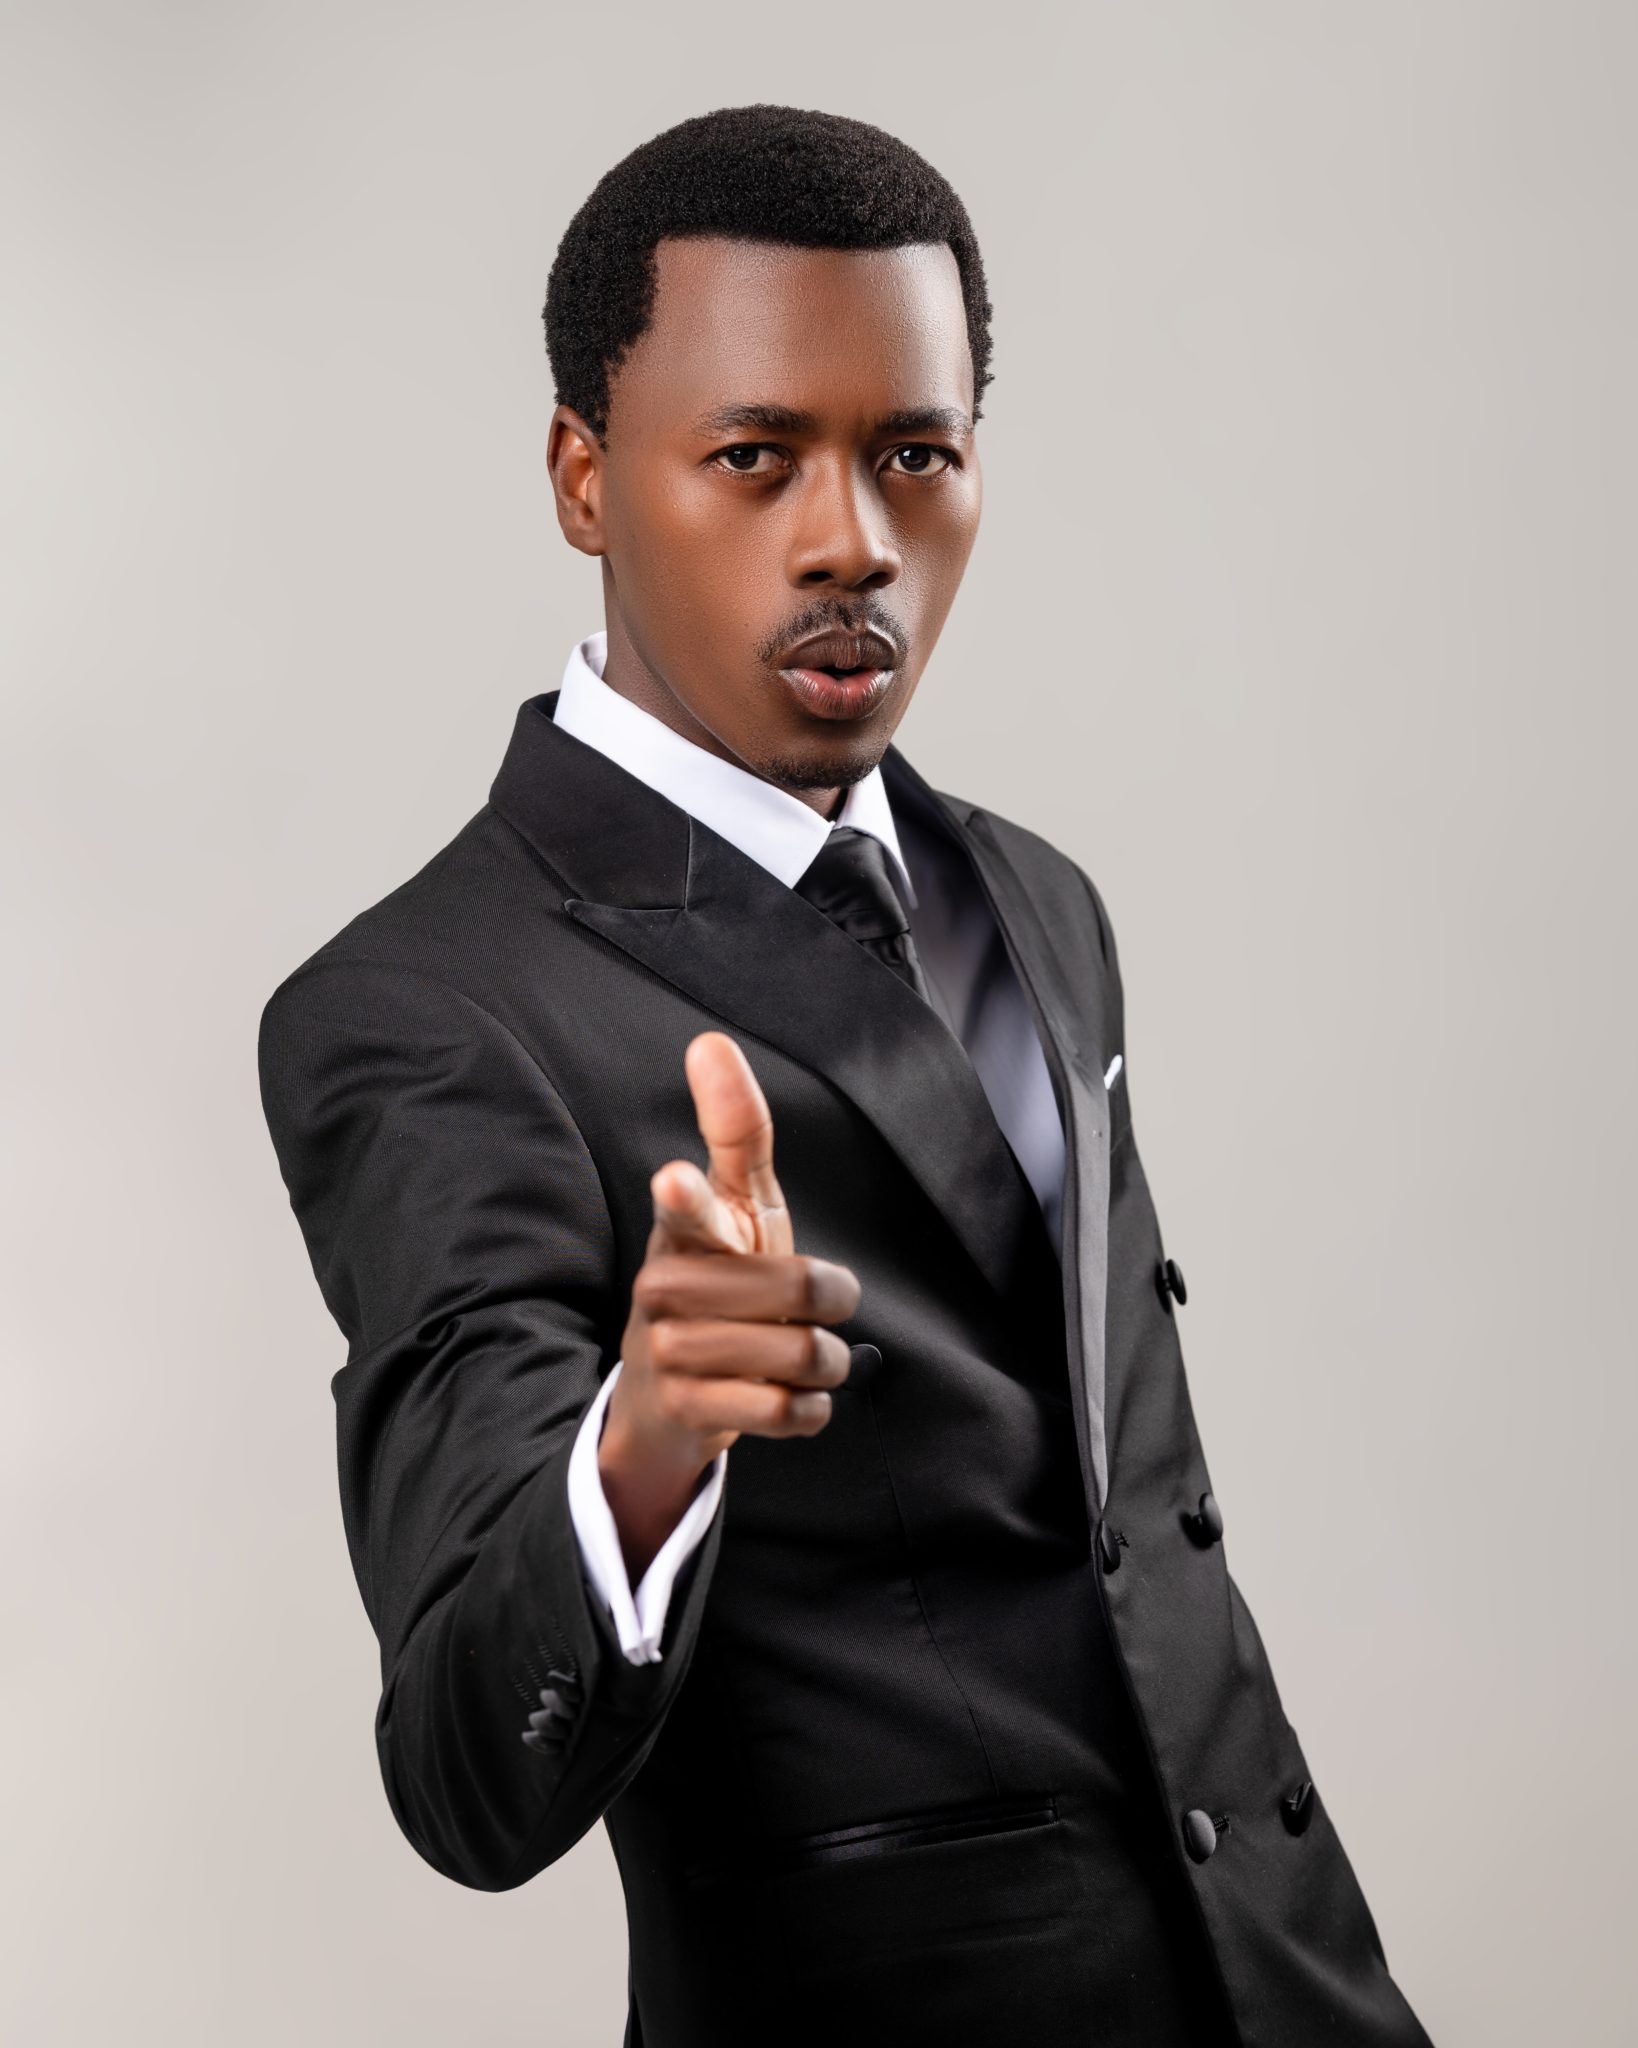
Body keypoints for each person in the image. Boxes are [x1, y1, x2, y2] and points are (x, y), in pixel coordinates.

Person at [258, 104, 1431, 2048]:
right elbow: (466, 1767)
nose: (852, 540)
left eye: (914, 454)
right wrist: (642, 1445)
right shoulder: (425, 1006)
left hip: (1288, 1986)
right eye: (754, 456)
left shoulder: (1033, 896)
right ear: (583, 475)